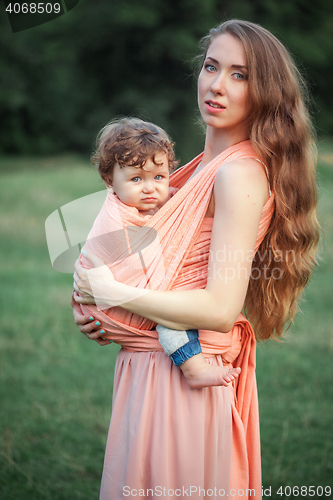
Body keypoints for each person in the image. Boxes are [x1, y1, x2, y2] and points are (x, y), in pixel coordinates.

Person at [71, 19, 319, 500]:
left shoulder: (238, 174)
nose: (217, 85)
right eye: (211, 66)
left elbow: (220, 308)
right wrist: (100, 312)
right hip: (150, 372)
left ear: (265, 91)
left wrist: (114, 295)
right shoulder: (191, 169)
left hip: (182, 382)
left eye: (239, 74)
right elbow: (149, 264)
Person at [78, 116, 241, 389]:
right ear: (109, 180)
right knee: (171, 313)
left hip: (109, 295)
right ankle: (193, 367)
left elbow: (178, 201)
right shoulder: (118, 217)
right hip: (115, 297)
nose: (150, 187)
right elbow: (138, 259)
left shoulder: (146, 200)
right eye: (136, 178)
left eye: (158, 177)